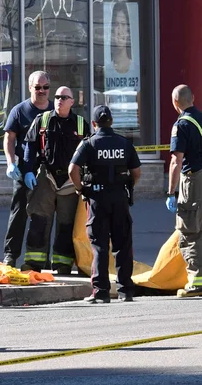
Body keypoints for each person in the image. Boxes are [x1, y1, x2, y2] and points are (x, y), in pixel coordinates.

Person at [68, 105, 141, 303]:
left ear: (93, 124)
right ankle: (126, 291)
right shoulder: (124, 143)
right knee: (123, 244)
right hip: (119, 198)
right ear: (111, 122)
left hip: (97, 200)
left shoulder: (89, 144)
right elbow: (136, 172)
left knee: (99, 245)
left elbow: (72, 169)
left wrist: (81, 188)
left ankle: (100, 292)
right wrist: (125, 186)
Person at [21, 86, 89, 274]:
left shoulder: (81, 124)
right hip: (46, 177)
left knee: (66, 224)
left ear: (72, 102)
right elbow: (30, 147)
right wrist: (27, 171)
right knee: (39, 220)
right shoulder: (42, 120)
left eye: (64, 97)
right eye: (57, 96)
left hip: (70, 181)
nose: (59, 100)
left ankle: (62, 263)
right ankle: (34, 263)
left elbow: (89, 154)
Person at [167, 84, 202, 298]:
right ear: (193, 99)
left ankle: (199, 283)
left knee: (191, 231)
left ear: (175, 103)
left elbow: (176, 160)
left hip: (196, 178)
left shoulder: (181, 124)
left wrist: (171, 192)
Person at [2, 70, 54, 267]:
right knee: (19, 214)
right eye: (37, 87)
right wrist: (10, 163)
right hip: (24, 170)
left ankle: (40, 258)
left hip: (48, 172)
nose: (42, 91)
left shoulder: (54, 110)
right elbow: (9, 138)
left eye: (45, 87)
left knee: (43, 216)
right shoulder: (20, 110)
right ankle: (10, 255)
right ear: (30, 87)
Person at [110, 2, 132, 75]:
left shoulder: (137, 68)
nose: (120, 31)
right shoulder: (107, 69)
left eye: (123, 24)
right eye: (116, 25)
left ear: (128, 31)